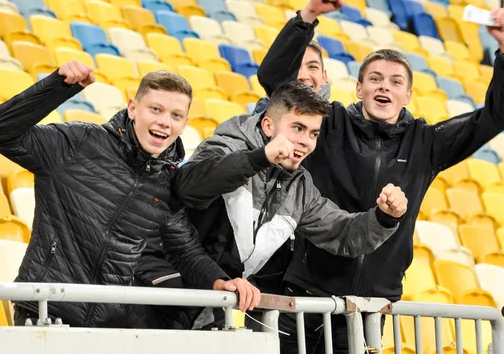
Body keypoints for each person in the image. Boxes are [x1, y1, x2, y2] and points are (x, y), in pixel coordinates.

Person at [257, 0, 504, 353]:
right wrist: (309, 16)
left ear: (408, 95)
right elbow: (275, 82)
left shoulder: (426, 142)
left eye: (396, 82)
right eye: (375, 79)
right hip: (305, 298)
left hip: (369, 308)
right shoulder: (328, 122)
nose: (385, 87)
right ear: (358, 89)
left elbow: (497, 116)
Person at [0, 61, 260, 328]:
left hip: (107, 325)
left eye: (175, 115)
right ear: (133, 108)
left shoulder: (168, 182)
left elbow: (184, 251)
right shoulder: (78, 143)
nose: (164, 122)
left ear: (184, 124)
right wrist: (58, 86)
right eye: (156, 109)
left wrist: (220, 281)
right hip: (46, 311)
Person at [173, 80, 408, 324]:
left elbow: (342, 232)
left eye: (313, 133)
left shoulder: (299, 185)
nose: (306, 141)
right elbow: (190, 186)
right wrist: (260, 158)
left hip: (211, 308)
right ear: (267, 125)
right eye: (297, 128)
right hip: (159, 294)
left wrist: (384, 217)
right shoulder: (225, 147)